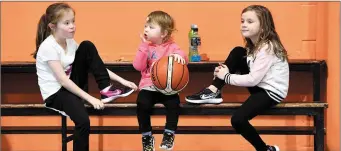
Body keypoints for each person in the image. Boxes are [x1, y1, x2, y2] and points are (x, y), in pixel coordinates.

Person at [32, 2, 137, 151]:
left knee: (87, 45)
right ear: (52, 26)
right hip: (56, 93)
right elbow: (62, 80)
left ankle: (106, 89)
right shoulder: (48, 47)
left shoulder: (70, 42)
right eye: (66, 23)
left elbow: (96, 65)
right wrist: (90, 98)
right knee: (83, 121)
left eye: (73, 21)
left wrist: (122, 80)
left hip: (70, 86)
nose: (72, 26)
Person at [185, 5, 289, 151]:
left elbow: (253, 79)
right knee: (238, 52)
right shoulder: (253, 47)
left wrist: (226, 76)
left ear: (263, 27)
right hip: (260, 87)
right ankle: (213, 90)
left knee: (238, 120)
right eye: (242, 21)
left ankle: (265, 149)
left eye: (250, 21)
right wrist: (224, 72)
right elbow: (251, 73)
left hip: (271, 93)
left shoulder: (268, 47)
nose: (244, 24)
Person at [133, 10, 188, 151]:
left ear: (163, 33)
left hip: (167, 88)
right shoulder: (145, 47)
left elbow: (183, 56)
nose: (146, 29)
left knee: (174, 103)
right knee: (142, 103)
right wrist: (143, 47)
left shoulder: (172, 47)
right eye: (146, 26)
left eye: (151, 27)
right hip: (149, 86)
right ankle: (146, 136)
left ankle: (169, 134)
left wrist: (179, 56)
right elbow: (137, 66)